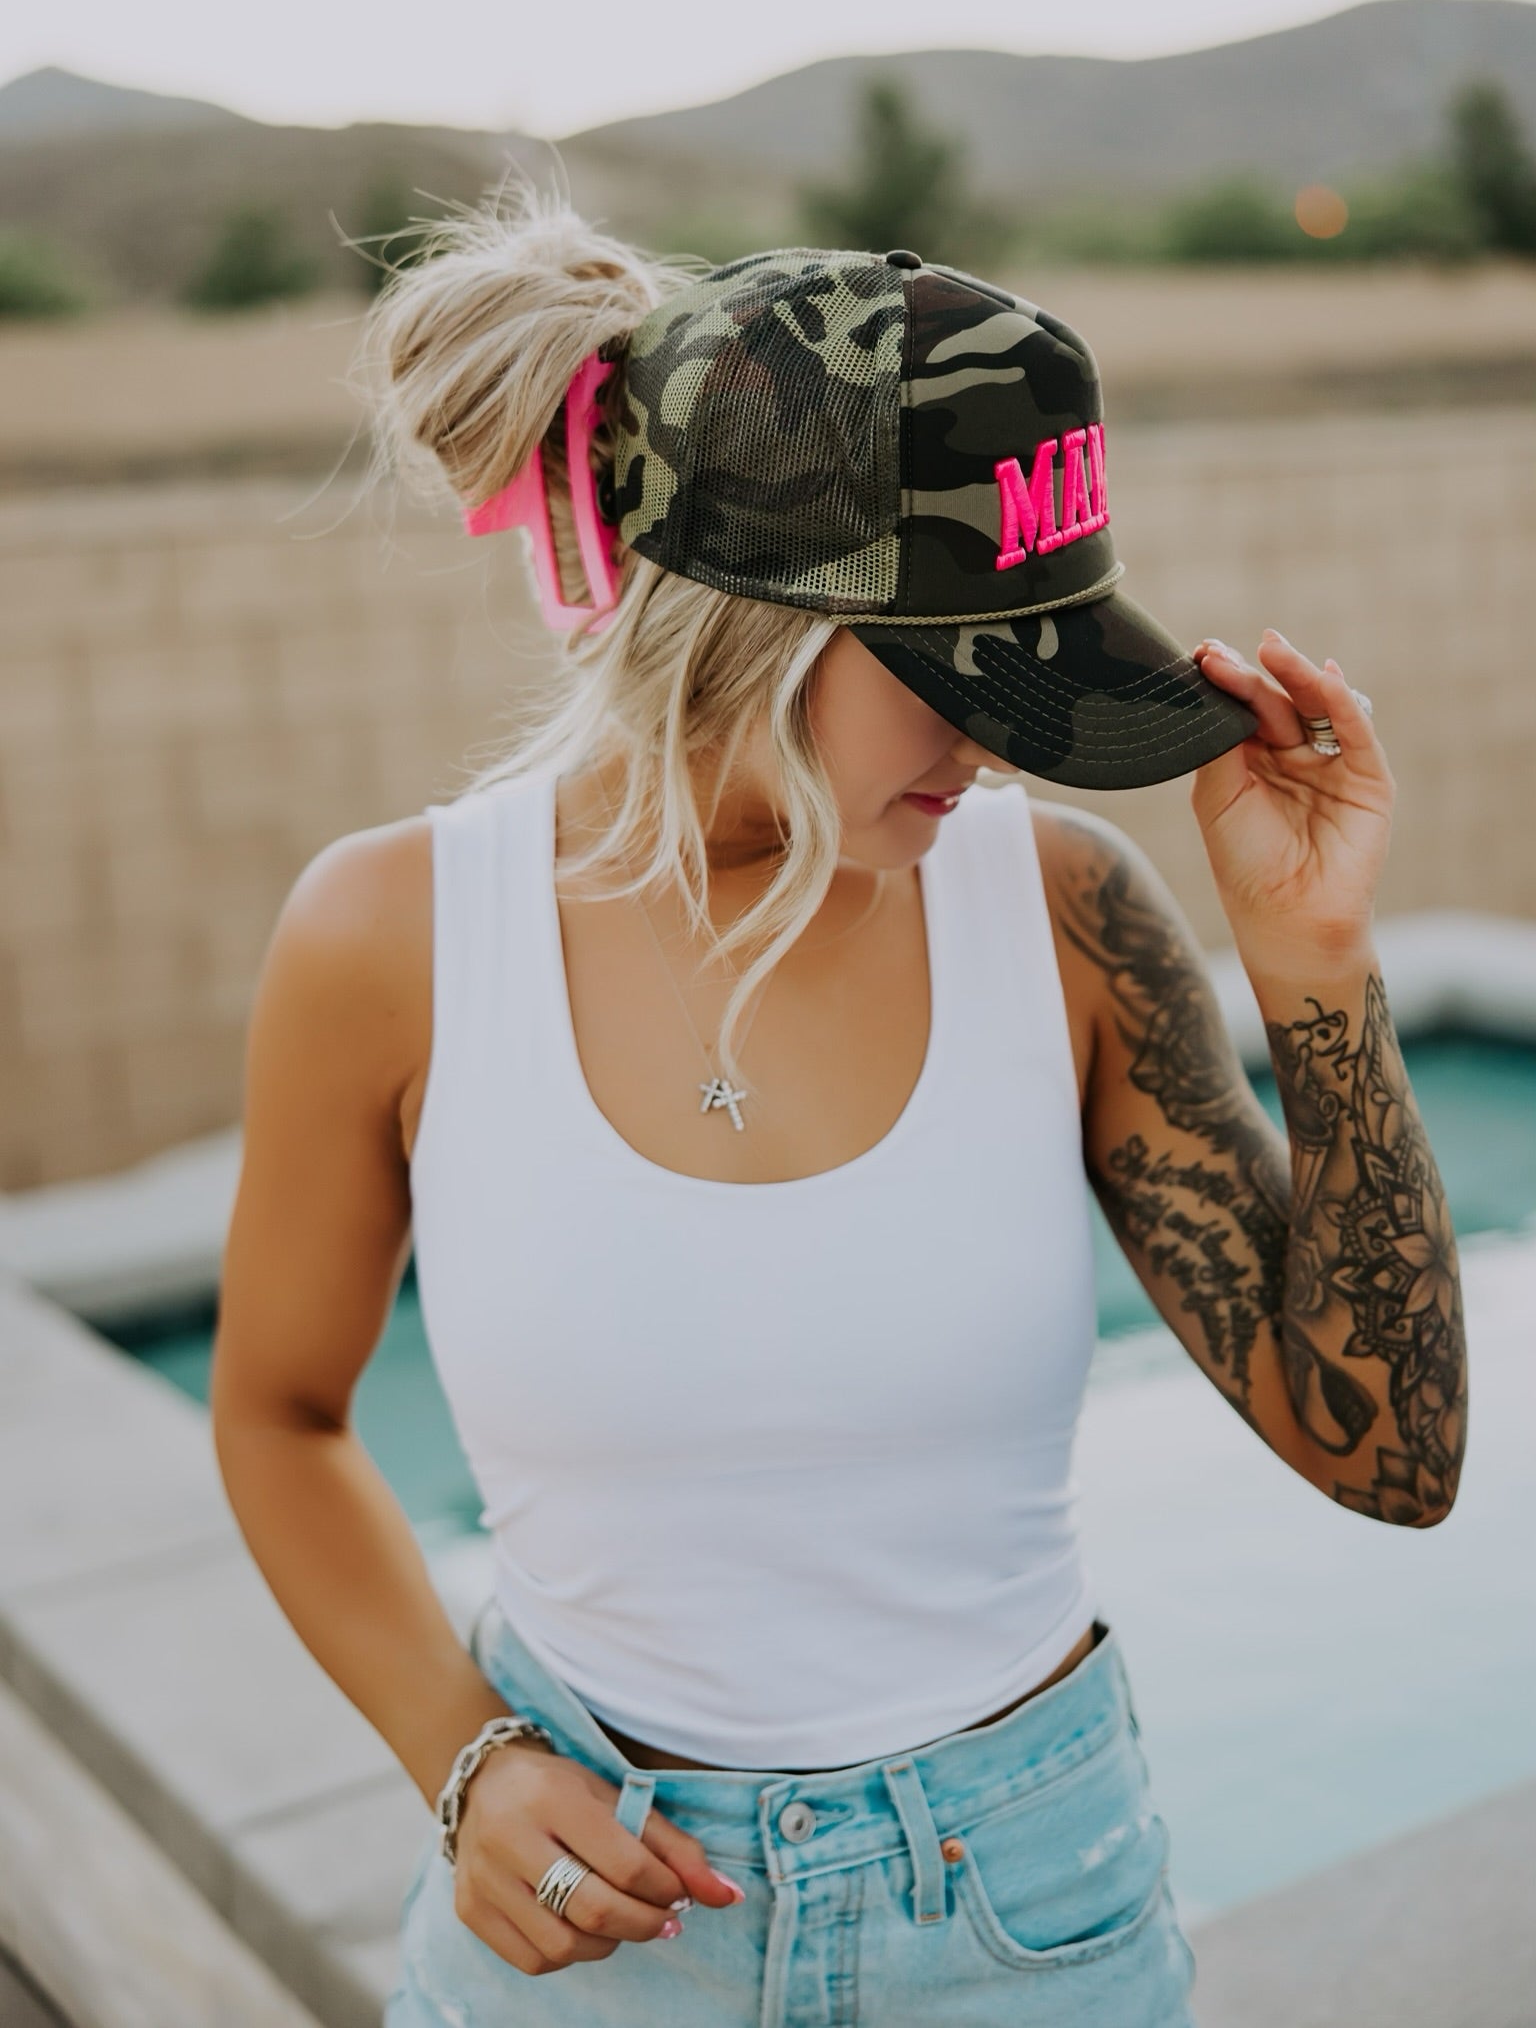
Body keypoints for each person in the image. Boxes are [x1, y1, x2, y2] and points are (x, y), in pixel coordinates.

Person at [212, 209, 1468, 2028]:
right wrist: (462, 1757)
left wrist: (1317, 965)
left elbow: (1389, 1459)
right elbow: (276, 1410)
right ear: (744, 618)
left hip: (1028, 1918)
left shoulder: (1062, 914)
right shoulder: (393, 938)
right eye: (964, 674)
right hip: (597, 1931)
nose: (1004, 742)